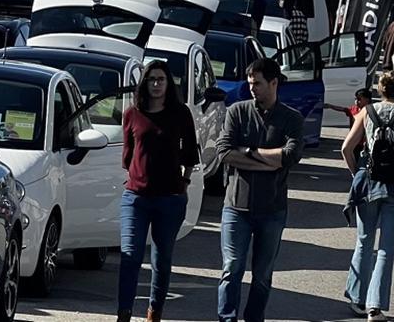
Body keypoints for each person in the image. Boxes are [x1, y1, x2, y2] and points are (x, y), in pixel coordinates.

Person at [214, 58, 304, 322]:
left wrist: (250, 152)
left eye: (258, 84)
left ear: (274, 83)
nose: (252, 88)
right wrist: (266, 160)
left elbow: (289, 157)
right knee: (232, 268)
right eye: (250, 83)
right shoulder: (237, 112)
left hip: (272, 209)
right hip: (236, 207)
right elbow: (224, 153)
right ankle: (226, 319)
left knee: (262, 275)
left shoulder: (291, 118)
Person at [118, 60, 200, 322]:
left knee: (161, 260)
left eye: (161, 80)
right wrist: (133, 175)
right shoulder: (132, 113)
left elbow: (190, 153)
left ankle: (154, 312)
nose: (156, 84)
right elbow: (127, 156)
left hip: (170, 198)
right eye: (151, 79)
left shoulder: (180, 113)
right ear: (144, 82)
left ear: (168, 83)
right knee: (129, 256)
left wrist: (185, 183)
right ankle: (124, 313)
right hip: (136, 197)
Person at [342, 70, 394, 321]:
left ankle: (357, 298)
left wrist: (357, 173)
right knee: (387, 249)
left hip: (368, 182)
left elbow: (346, 147)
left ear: (381, 90)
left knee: (364, 241)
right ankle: (375, 306)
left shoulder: (367, 112)